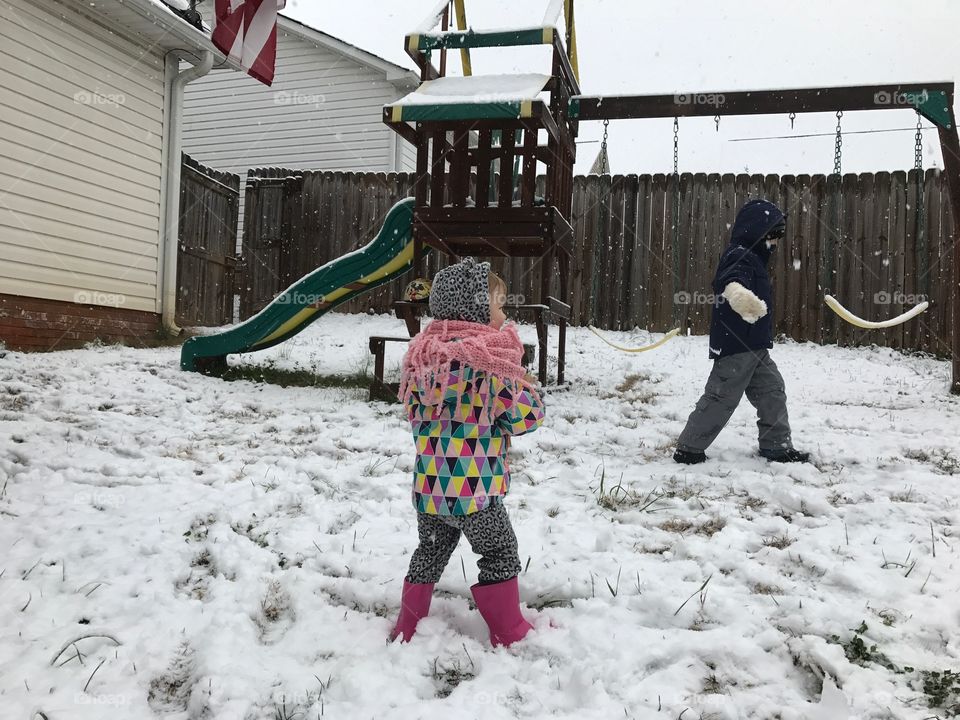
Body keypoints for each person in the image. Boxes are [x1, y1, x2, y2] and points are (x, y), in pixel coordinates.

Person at [389, 258, 545, 646]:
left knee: (430, 551)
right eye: (498, 306)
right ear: (474, 310)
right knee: (499, 552)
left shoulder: (424, 361)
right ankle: (509, 630)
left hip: (430, 491)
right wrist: (525, 386)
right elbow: (525, 418)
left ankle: (407, 625)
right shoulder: (489, 368)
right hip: (475, 494)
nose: (504, 314)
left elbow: (414, 411)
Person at [674, 199, 809, 465]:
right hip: (736, 344)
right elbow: (729, 280)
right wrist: (739, 296)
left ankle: (776, 445)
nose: (774, 244)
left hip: (755, 345)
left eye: (776, 238)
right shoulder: (739, 254)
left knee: (772, 390)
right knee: (721, 397)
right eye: (770, 237)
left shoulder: (754, 258)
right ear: (756, 233)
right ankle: (689, 448)